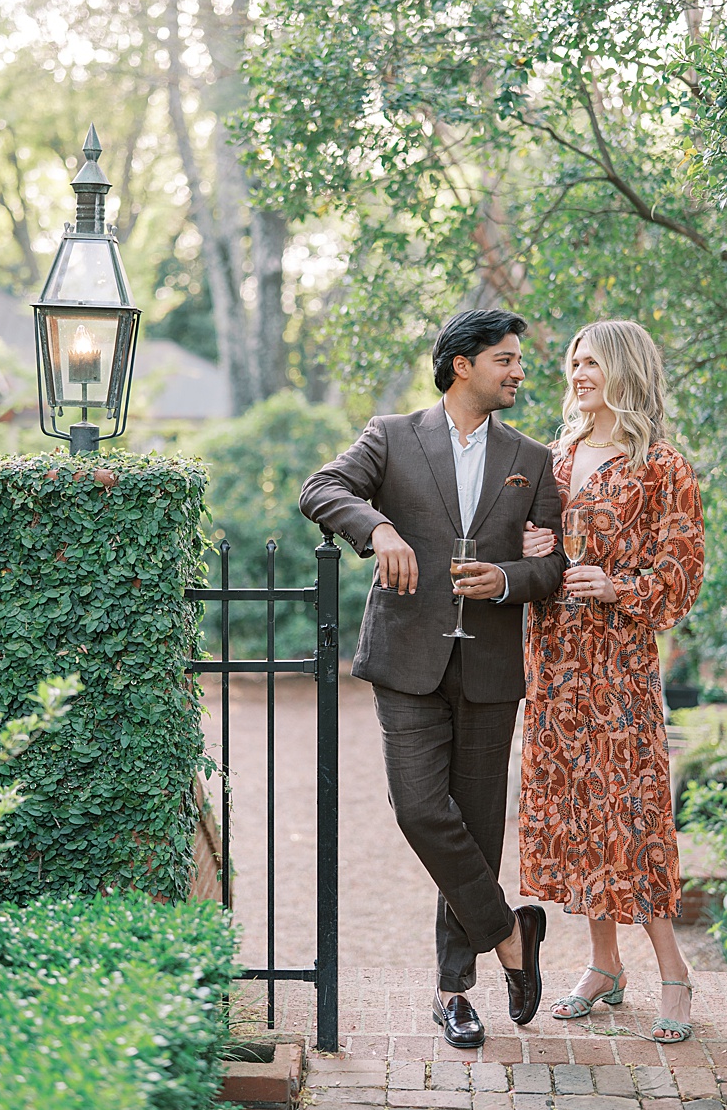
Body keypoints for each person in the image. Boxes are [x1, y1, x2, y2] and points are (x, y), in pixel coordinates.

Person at [299, 309, 564, 1049]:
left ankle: (454, 992)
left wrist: (506, 578)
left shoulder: (533, 459)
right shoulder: (390, 435)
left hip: (489, 668)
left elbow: (551, 568)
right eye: (506, 360)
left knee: (477, 829)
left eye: (517, 360)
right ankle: (511, 931)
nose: (517, 371)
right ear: (462, 365)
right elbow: (320, 489)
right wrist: (378, 529)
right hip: (407, 657)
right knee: (419, 809)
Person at [515, 319, 705, 1042]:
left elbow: (680, 575)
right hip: (556, 666)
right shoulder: (554, 455)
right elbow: (538, 555)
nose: (578, 372)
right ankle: (603, 965)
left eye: (592, 361)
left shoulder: (661, 465)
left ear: (624, 369)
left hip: (619, 669)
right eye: (574, 360)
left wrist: (617, 587)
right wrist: (537, 548)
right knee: (577, 814)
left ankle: (673, 970)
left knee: (632, 817)